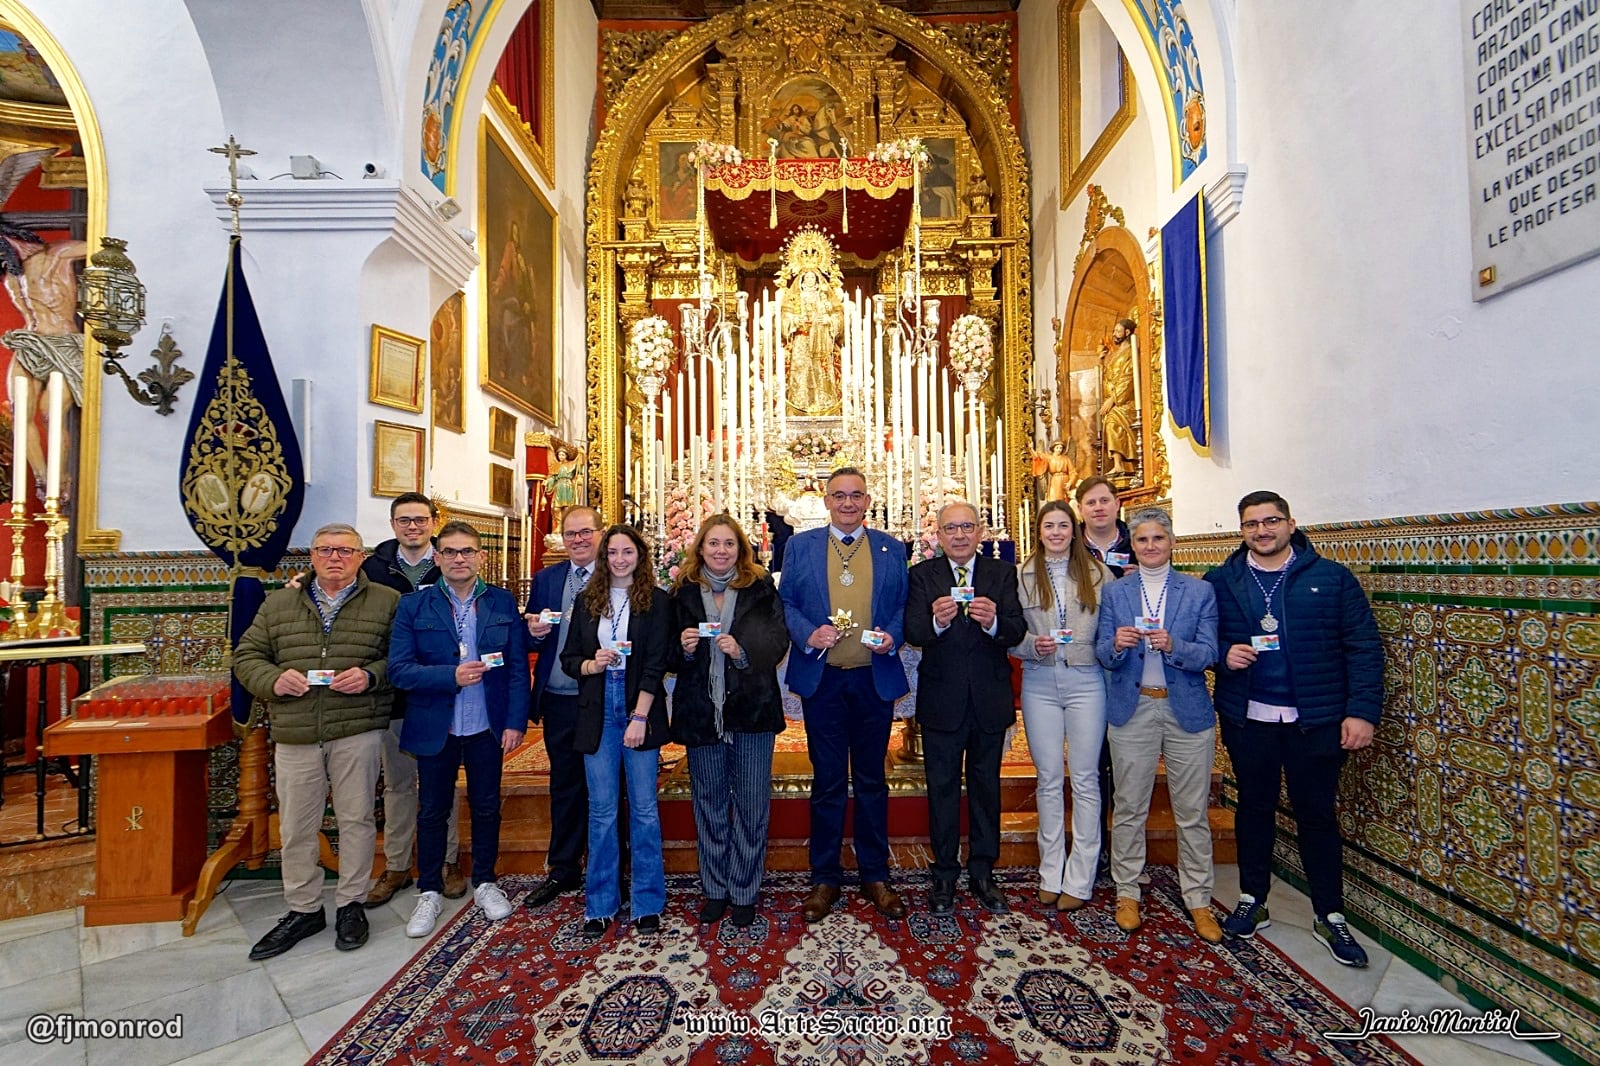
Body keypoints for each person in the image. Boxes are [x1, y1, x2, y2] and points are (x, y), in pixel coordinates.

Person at [1206, 491, 1382, 967]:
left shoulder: (1330, 578)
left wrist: (1361, 712)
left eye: (1271, 521)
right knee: (1254, 808)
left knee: (1317, 814)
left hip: (1317, 720)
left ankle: (1330, 914)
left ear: (1290, 523)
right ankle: (1252, 897)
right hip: (1250, 717)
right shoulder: (1222, 581)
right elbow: (1204, 638)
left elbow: (1362, 648)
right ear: (1240, 530)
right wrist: (1223, 653)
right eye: (1252, 524)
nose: (1262, 531)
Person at [233, 524, 398, 960]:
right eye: (326, 550)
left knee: (357, 818)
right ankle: (303, 908)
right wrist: (272, 680)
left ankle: (351, 903)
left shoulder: (386, 602)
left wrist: (370, 675)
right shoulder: (280, 602)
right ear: (312, 557)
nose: (335, 557)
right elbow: (246, 656)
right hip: (297, 730)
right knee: (296, 825)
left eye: (346, 550)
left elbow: (399, 658)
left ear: (362, 557)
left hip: (356, 727)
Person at [778, 467, 909, 923]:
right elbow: (787, 604)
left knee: (872, 779)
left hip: (873, 678)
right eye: (839, 496)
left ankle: (876, 874)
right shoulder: (801, 546)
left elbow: (900, 608)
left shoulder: (893, 549)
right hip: (826, 679)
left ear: (868, 500)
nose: (848, 503)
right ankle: (825, 878)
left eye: (856, 496)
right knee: (828, 780)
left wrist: (892, 636)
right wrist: (808, 633)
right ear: (827, 501)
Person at [389, 521, 530, 937]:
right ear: (437, 558)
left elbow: (518, 669)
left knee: (487, 805)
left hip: (487, 724)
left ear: (481, 557)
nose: (458, 559)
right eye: (449, 552)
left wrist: (515, 722)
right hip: (438, 725)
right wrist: (450, 675)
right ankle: (429, 889)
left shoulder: (502, 602)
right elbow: (399, 669)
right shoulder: (415, 606)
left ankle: (485, 881)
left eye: (467, 551)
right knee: (433, 809)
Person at [1094, 507, 1222, 943]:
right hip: (1134, 708)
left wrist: (1175, 645)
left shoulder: (1199, 592)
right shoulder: (1116, 593)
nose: (1150, 546)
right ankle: (1127, 890)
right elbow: (1102, 654)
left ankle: (1199, 898)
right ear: (1133, 544)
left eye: (1158, 539)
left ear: (1172, 543)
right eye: (1142, 539)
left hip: (1186, 710)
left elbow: (1209, 653)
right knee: (1129, 805)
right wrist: (1115, 643)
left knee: (1192, 812)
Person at [904, 501, 1026, 913]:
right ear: (938, 535)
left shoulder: (1002, 574)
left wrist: (993, 622)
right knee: (941, 790)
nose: (959, 535)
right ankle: (943, 875)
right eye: (950, 528)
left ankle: (983, 872)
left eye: (967, 527)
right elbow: (913, 631)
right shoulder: (922, 575)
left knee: (985, 788)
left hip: (989, 700)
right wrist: (936, 622)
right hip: (942, 702)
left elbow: (1015, 630)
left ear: (980, 532)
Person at [669, 514, 789, 927]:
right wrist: (682, 649)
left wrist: (741, 651)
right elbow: (664, 652)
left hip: (752, 709)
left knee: (752, 805)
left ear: (741, 550)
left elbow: (777, 641)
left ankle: (744, 890)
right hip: (703, 713)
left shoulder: (760, 587)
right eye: (713, 544)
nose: (721, 551)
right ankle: (715, 888)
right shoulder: (682, 592)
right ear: (700, 548)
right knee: (710, 804)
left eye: (729, 544)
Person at [562, 524, 673, 938]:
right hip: (597, 705)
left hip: (637, 703)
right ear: (604, 558)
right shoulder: (587, 601)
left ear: (639, 557)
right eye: (613, 553)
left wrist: (640, 717)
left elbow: (657, 662)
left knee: (644, 809)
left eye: (628, 552)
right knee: (603, 810)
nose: (620, 559)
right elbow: (570, 659)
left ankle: (647, 901)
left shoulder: (657, 602)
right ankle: (601, 903)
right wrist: (593, 663)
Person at [359, 492, 465, 906]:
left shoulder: (448, 563)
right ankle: (399, 864)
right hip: (398, 692)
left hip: (441, 689)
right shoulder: (373, 569)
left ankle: (446, 860)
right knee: (400, 782)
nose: (413, 527)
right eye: (404, 520)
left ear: (433, 523)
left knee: (442, 783)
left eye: (421, 520)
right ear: (393, 525)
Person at [1009, 500, 1112, 910]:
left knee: (1085, 778)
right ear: (1039, 531)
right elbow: (1009, 634)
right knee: (1049, 777)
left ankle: (1081, 875)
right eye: (1048, 525)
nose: (1056, 532)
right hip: (1039, 681)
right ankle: (1051, 869)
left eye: (1063, 525)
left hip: (1087, 680)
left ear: (1075, 529)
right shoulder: (1022, 575)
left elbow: (1109, 633)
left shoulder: (1099, 574)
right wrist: (1033, 644)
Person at [522, 505, 602, 908]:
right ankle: (564, 868)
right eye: (571, 534)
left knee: (606, 787)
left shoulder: (617, 573)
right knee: (565, 785)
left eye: (586, 532)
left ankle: (609, 867)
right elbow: (534, 638)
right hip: (558, 697)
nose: (579, 540)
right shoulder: (548, 578)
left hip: (603, 699)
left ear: (600, 535)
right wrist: (533, 633)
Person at [1099, 318, 1138, 475]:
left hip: (1124, 402)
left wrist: (1113, 399)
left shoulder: (1131, 352)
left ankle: (1119, 464)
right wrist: (1102, 362)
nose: (1114, 334)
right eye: (1114, 331)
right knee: (1110, 423)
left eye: (1117, 331)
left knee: (1112, 423)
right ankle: (1117, 464)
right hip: (1113, 401)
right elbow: (1109, 378)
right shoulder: (1114, 355)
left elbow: (1128, 378)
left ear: (1127, 332)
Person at [1076, 476, 1135, 576]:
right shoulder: (1070, 544)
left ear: (1117, 504)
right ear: (1080, 509)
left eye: (1104, 501)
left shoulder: (1138, 540)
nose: (1098, 508)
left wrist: (1144, 578)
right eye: (1091, 503)